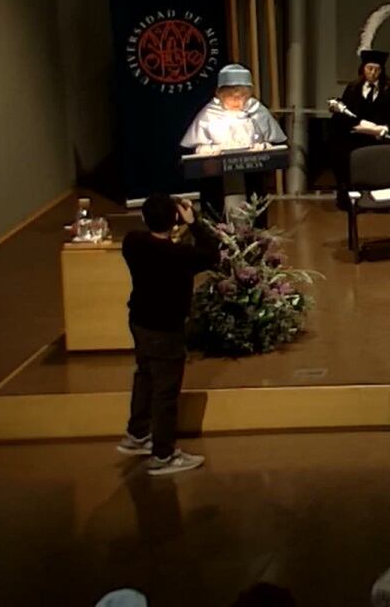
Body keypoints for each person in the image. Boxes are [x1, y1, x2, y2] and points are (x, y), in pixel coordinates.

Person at [117, 194, 218, 476]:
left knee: (145, 375)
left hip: (139, 322)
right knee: (166, 392)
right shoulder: (180, 256)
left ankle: (137, 434)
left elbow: (145, 232)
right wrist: (194, 222)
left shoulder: (132, 243)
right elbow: (212, 253)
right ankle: (163, 454)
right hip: (166, 329)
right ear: (175, 220)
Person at [181, 63, 288, 209]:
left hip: (251, 175)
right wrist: (206, 149)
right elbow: (198, 147)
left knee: (254, 199)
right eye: (231, 96)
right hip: (217, 178)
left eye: (242, 95)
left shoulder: (257, 112)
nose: (237, 100)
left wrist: (263, 146)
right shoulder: (209, 114)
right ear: (220, 94)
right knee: (215, 202)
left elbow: (273, 143)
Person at [330, 22, 390, 210]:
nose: (373, 73)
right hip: (356, 135)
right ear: (363, 69)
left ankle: (383, 198)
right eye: (369, 69)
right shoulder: (353, 88)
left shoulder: (389, 89)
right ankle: (349, 196)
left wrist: (383, 129)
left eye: (377, 70)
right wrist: (363, 127)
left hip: (380, 136)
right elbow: (346, 117)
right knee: (340, 151)